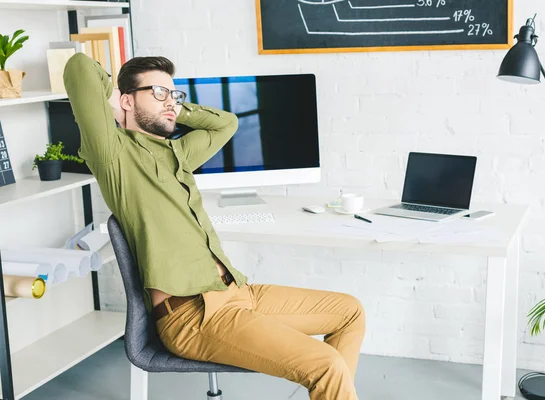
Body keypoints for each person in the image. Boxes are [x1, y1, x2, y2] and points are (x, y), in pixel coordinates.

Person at [63, 52, 365, 400]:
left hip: (236, 293)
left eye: (173, 95)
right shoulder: (115, 156)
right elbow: (79, 69)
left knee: (349, 312)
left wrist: (170, 105)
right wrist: (116, 101)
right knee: (325, 364)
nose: (170, 104)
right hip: (194, 315)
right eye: (158, 93)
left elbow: (227, 124)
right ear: (127, 100)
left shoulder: (178, 154)